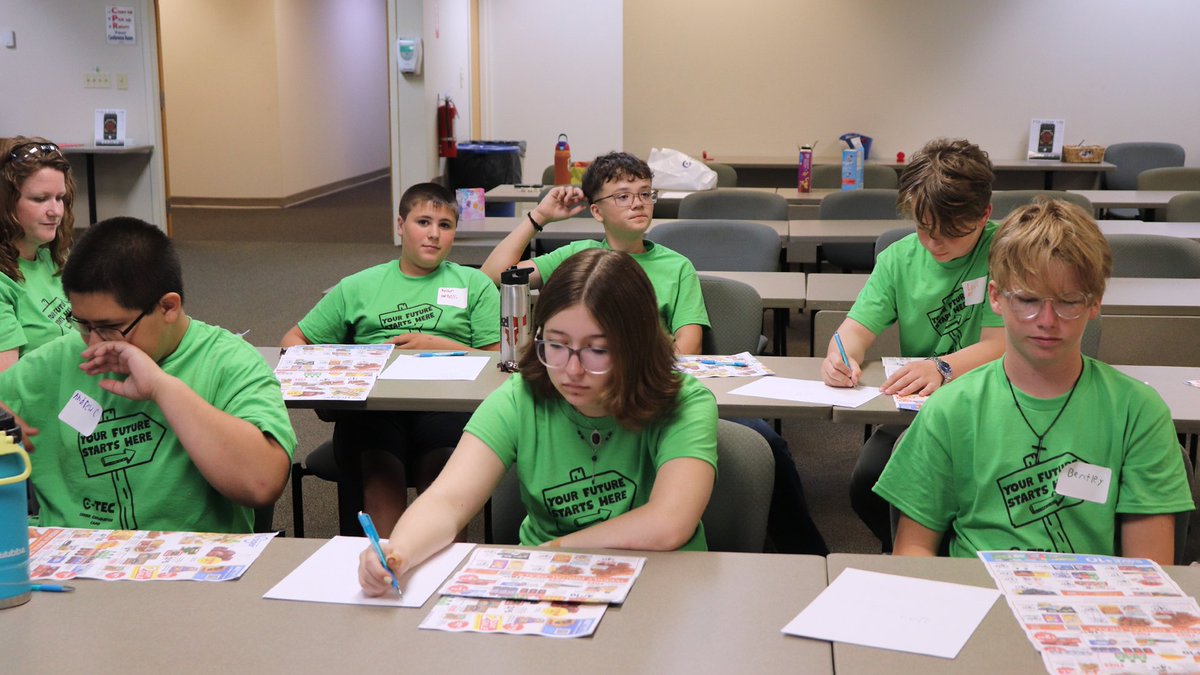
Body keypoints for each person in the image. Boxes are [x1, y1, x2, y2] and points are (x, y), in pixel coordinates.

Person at [482, 151, 826, 554]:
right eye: (623, 196)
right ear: (596, 210)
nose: (639, 203)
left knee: (765, 443)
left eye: (645, 194)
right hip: (587, 389)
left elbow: (688, 347)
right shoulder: (576, 259)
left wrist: (629, 358)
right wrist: (537, 218)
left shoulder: (675, 266)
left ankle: (802, 551)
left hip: (660, 387)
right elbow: (495, 276)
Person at [358, 248, 718, 595]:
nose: (572, 370)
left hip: (660, 580)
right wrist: (398, 551)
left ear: (637, 346)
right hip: (545, 585)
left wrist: (555, 549)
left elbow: (668, 523)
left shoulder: (684, 401)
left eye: (597, 349)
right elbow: (449, 499)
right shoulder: (523, 395)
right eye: (556, 345)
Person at [875, 199, 1193, 564]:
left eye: (1068, 301)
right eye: (1026, 299)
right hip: (976, 600)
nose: (1046, 319)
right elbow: (913, 551)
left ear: (1094, 303)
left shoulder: (1138, 412)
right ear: (996, 298)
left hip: (1088, 608)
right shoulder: (951, 410)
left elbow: (1149, 569)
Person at [0, 216, 296, 533]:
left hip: (194, 570)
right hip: (77, 571)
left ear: (168, 307)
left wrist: (160, 387)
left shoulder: (228, 362)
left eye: (111, 327)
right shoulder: (56, 361)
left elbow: (262, 483)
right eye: (83, 324)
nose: (95, 344)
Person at [282, 182, 500, 532]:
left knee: (441, 477)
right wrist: (349, 363)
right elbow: (294, 341)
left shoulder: (474, 284)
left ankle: (439, 575)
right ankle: (386, 569)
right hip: (376, 408)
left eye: (445, 226)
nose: (433, 235)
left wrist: (439, 345)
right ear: (401, 225)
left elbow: (498, 361)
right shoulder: (359, 286)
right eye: (423, 222)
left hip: (444, 402)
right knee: (379, 474)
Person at [822, 138, 1006, 552]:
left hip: (998, 402)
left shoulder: (1008, 252)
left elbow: (1003, 345)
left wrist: (941, 367)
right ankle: (914, 552)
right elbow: (855, 329)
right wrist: (841, 356)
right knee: (869, 481)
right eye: (924, 229)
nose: (934, 243)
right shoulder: (899, 259)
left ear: (985, 215)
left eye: (952, 233)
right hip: (921, 409)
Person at [0, 137, 75, 370]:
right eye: (40, 199)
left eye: (59, 198)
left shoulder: (52, 256)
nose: (55, 211)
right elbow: (6, 392)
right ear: (6, 203)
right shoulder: (4, 282)